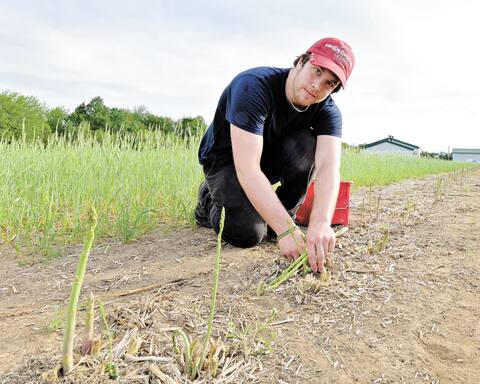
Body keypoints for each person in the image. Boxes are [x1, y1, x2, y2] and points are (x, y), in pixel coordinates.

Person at [195, 37, 355, 273]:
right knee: (247, 233)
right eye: (317, 71)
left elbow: (328, 167)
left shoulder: (328, 111)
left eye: (329, 84)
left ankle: (281, 216)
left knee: (307, 146)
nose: (317, 85)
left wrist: (320, 222)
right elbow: (247, 168)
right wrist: (287, 230)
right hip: (228, 161)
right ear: (301, 62)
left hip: (267, 157)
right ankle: (208, 198)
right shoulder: (253, 86)